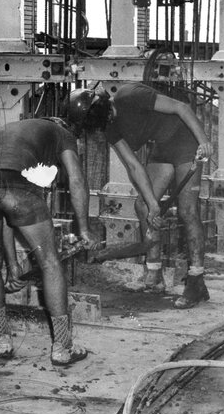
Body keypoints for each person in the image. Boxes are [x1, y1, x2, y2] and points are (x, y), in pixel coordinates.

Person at [66, 83, 214, 309]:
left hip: (186, 141)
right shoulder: (109, 127)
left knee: (187, 211)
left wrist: (203, 141)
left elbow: (181, 107)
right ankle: (154, 274)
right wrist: (154, 205)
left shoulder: (130, 95)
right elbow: (134, 166)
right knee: (143, 206)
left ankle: (196, 281)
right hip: (163, 147)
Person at [0, 117, 94, 366]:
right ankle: (63, 346)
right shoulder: (63, 133)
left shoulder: (17, 128)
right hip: (14, 185)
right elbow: (77, 180)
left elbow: (4, 210)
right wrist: (85, 229)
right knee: (50, 262)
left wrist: (13, 264)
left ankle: (2, 337)